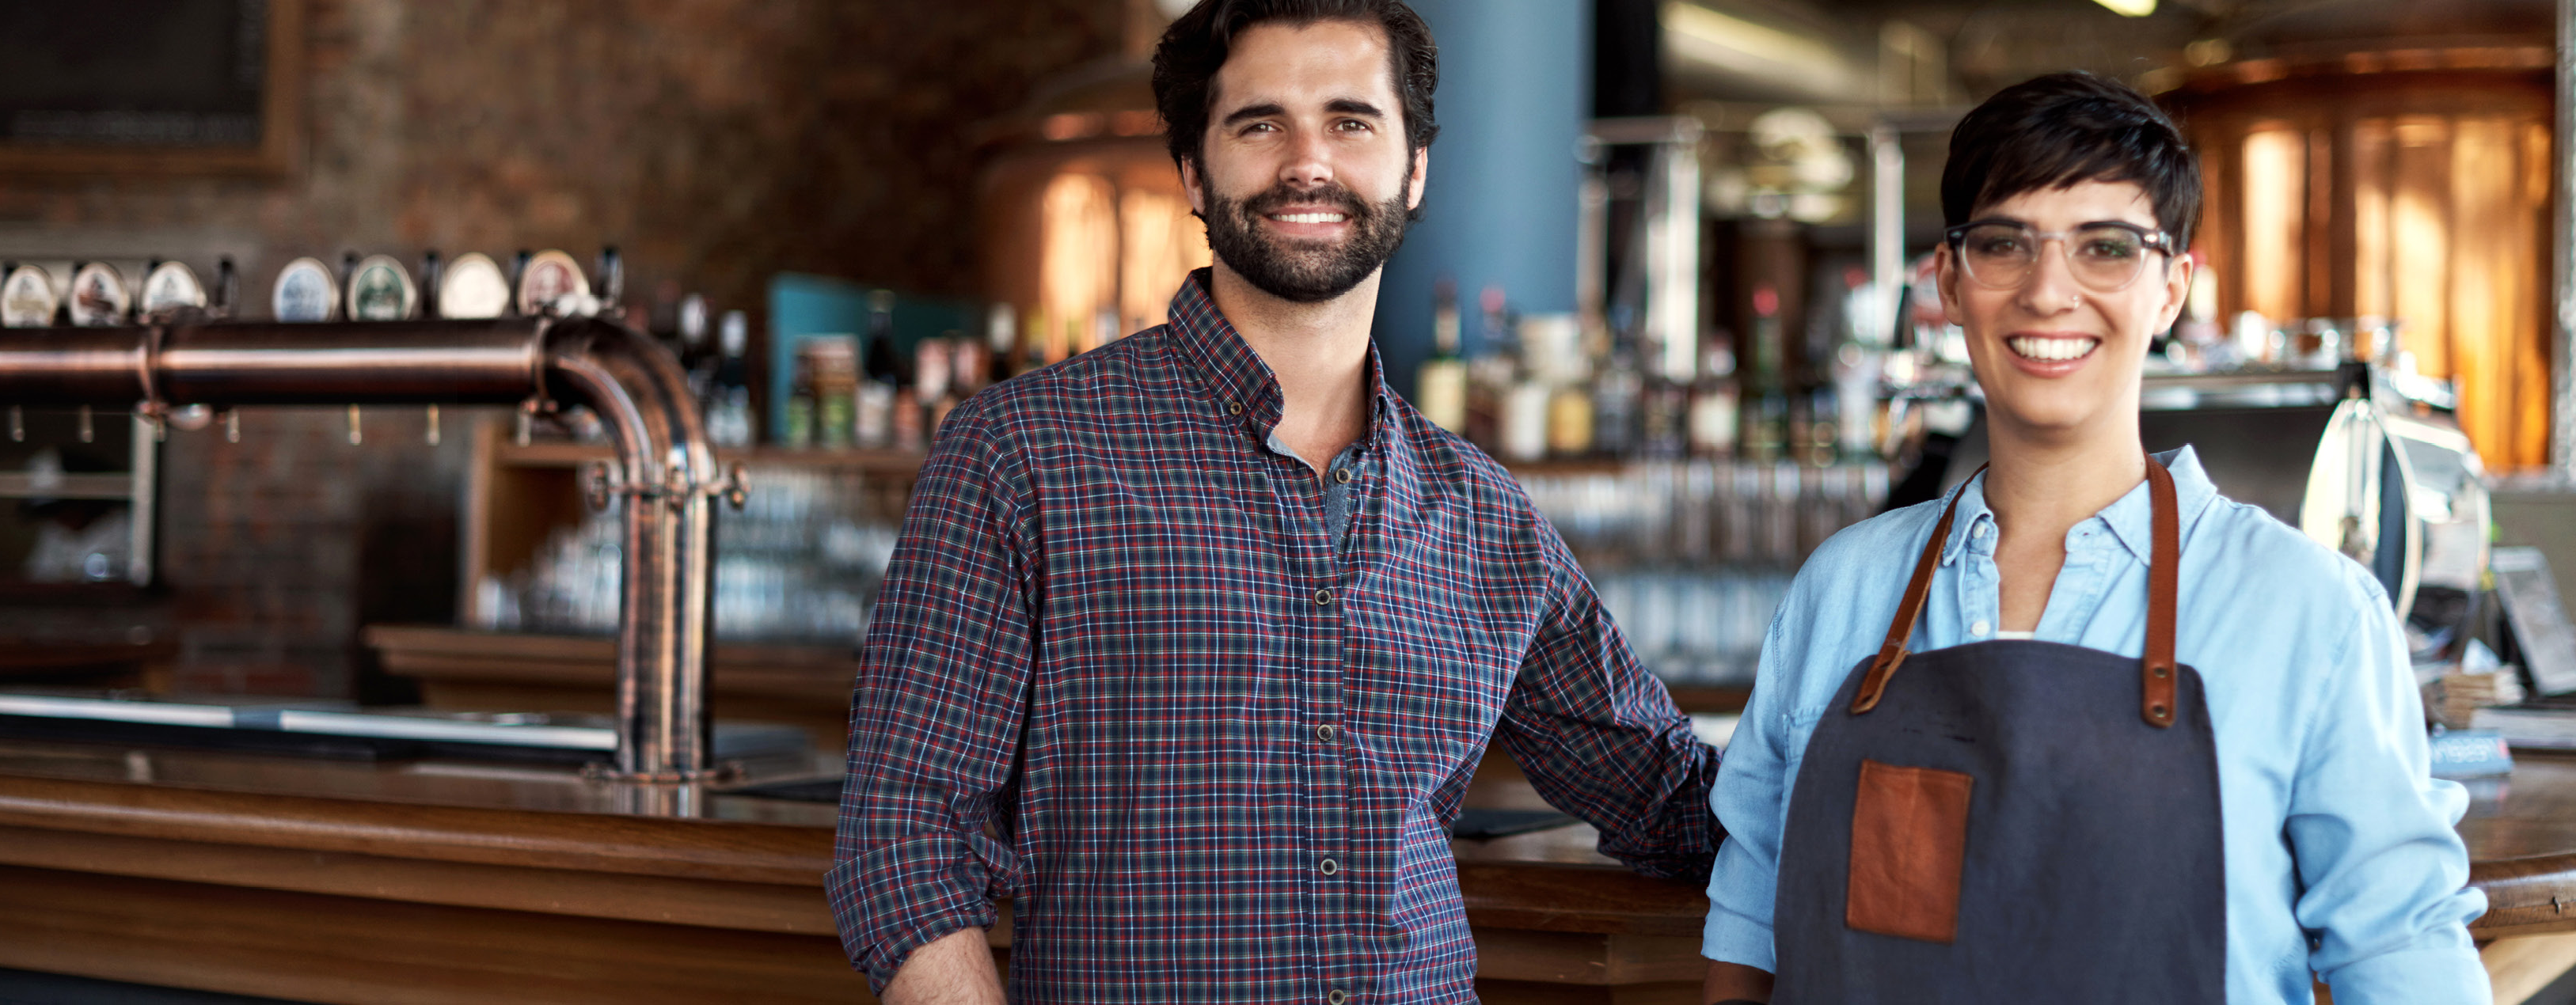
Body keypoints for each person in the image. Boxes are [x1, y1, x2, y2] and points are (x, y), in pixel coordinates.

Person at [826, 2, 1722, 1001]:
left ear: (1413, 169)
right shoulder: (1023, 452)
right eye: (1260, 124)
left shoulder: (1482, 513)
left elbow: (1665, 794)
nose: (1307, 163)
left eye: (1351, 122)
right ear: (1193, 174)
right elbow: (906, 841)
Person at [1697, 72, 2490, 1004]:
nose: (2047, 292)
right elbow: (1752, 914)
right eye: (2002, 244)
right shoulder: (1845, 588)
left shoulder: (2307, 612)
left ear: (2170, 290)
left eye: (2105, 249)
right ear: (1949, 283)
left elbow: (2401, 959)